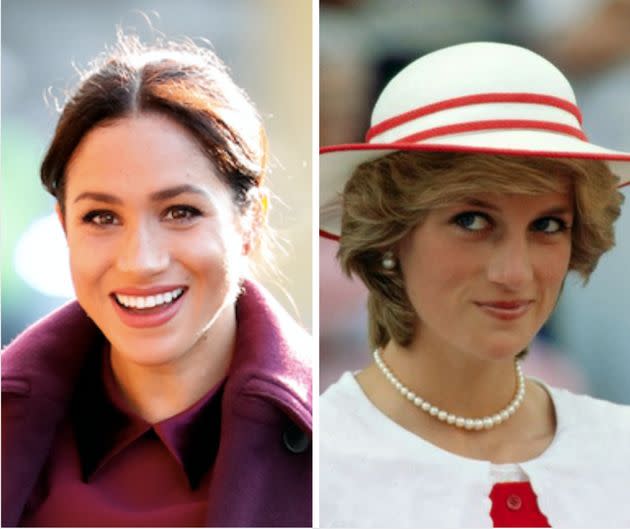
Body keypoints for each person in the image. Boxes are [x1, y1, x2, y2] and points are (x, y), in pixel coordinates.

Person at [1, 34, 312, 527]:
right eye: (101, 217)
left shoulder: (346, 439)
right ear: (64, 228)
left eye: (180, 212)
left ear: (249, 221)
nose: (140, 261)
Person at [319, 41, 630, 528]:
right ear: (391, 232)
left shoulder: (618, 449)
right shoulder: (316, 465)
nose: (515, 273)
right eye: (472, 220)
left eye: (548, 226)